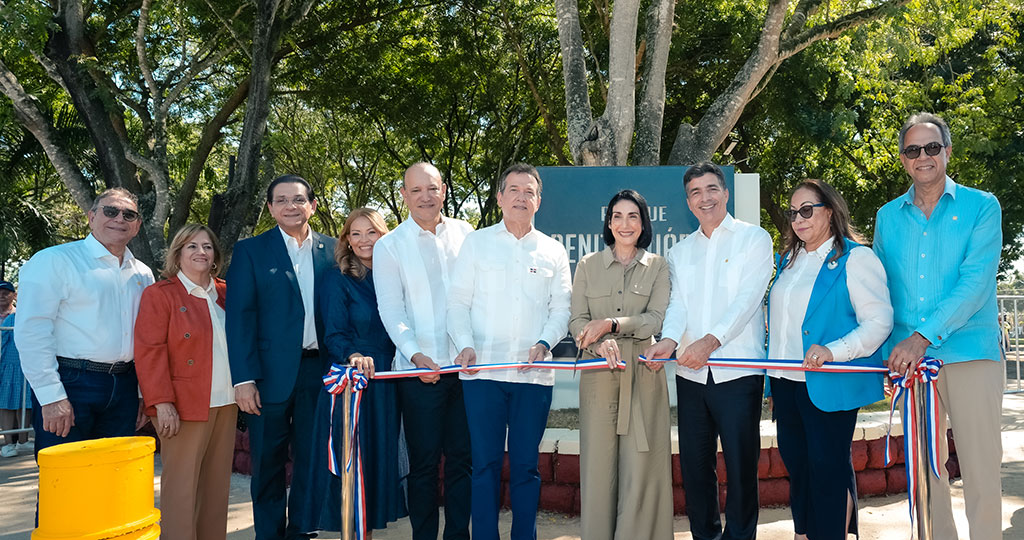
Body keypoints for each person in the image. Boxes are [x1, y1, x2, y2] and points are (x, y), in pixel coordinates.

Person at [874, 112, 1003, 540]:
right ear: (903, 159)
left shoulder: (982, 206)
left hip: (969, 353)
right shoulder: (887, 217)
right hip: (910, 365)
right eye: (913, 150)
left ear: (948, 151)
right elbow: (879, 289)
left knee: (980, 468)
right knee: (925, 474)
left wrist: (921, 337)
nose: (923, 156)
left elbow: (976, 283)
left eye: (932, 147)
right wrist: (886, 353)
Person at [644, 162, 773, 540]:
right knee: (696, 469)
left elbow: (748, 300)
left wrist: (710, 342)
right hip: (690, 375)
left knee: (740, 466)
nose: (705, 198)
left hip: (738, 373)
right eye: (696, 192)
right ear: (688, 201)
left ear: (726, 193)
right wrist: (669, 341)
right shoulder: (680, 252)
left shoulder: (754, 239)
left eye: (712, 189)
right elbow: (678, 306)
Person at [448, 162, 572, 540]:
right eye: (514, 190)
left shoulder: (553, 250)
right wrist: (465, 345)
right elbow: (457, 303)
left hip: (533, 377)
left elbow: (561, 309)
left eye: (529, 191)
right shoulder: (477, 243)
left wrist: (544, 343)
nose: (521, 197)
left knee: (525, 467)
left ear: (539, 200)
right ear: (500, 197)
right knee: (483, 465)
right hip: (482, 374)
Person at [768, 179, 893, 540]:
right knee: (799, 468)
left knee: (826, 470)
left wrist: (833, 351)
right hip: (785, 383)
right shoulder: (787, 261)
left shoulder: (856, 257)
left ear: (830, 210)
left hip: (829, 382)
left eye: (807, 209)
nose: (798, 219)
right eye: (793, 212)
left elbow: (879, 321)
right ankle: (803, 534)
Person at [226, 175, 337, 540]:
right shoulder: (251, 251)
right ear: (271, 207)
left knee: (311, 459)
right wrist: (243, 379)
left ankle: (302, 531)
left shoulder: (333, 251)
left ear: (313, 205)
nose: (292, 206)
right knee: (268, 463)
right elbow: (239, 318)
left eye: (299, 199)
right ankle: (269, 534)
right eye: (282, 200)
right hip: (267, 376)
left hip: (319, 373)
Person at [373, 162, 474, 540]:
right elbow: (391, 310)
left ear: (444, 189)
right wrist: (416, 355)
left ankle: (458, 536)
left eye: (431, 188)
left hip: (466, 370)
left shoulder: (467, 235)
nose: (425, 197)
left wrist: (470, 347)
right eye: (415, 191)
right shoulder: (390, 246)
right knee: (424, 466)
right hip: (419, 374)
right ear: (403, 195)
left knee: (464, 461)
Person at [15, 188, 154, 453]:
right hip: (70, 382)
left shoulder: (143, 273)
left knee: (112, 481)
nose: (119, 219)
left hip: (125, 386)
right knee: (64, 482)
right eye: (110, 211)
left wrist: (140, 393)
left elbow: (147, 338)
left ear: (137, 226)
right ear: (91, 217)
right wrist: (51, 397)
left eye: (129, 214)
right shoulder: (54, 261)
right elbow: (32, 331)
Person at [568, 190, 672, 539]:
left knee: (641, 468)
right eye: (617, 216)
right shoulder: (587, 265)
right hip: (599, 377)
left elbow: (655, 319)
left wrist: (612, 324)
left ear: (643, 223)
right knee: (598, 471)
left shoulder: (658, 266)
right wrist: (596, 343)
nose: (624, 224)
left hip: (643, 374)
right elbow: (577, 321)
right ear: (608, 223)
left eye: (632, 216)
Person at [296, 208, 406, 538]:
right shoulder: (337, 278)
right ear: (346, 240)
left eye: (371, 232)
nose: (363, 240)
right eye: (355, 234)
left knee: (377, 463)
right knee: (354, 468)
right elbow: (334, 333)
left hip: (388, 382)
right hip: (353, 384)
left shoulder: (396, 277)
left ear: (384, 235)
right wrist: (354, 355)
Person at [134, 224, 237, 540]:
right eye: (191, 246)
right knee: (181, 490)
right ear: (177, 253)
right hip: (182, 404)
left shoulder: (225, 292)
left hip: (227, 403)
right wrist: (162, 402)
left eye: (207, 246)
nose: (201, 252)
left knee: (216, 489)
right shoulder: (160, 294)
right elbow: (149, 351)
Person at [1, 281, 31, 458]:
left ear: (14, 295)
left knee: (24, 401)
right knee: (5, 403)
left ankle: (23, 440)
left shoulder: (20, 314)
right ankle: (7, 444)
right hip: (5, 364)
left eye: (6, 292)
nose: (2, 295)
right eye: (0, 292)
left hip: (21, 364)